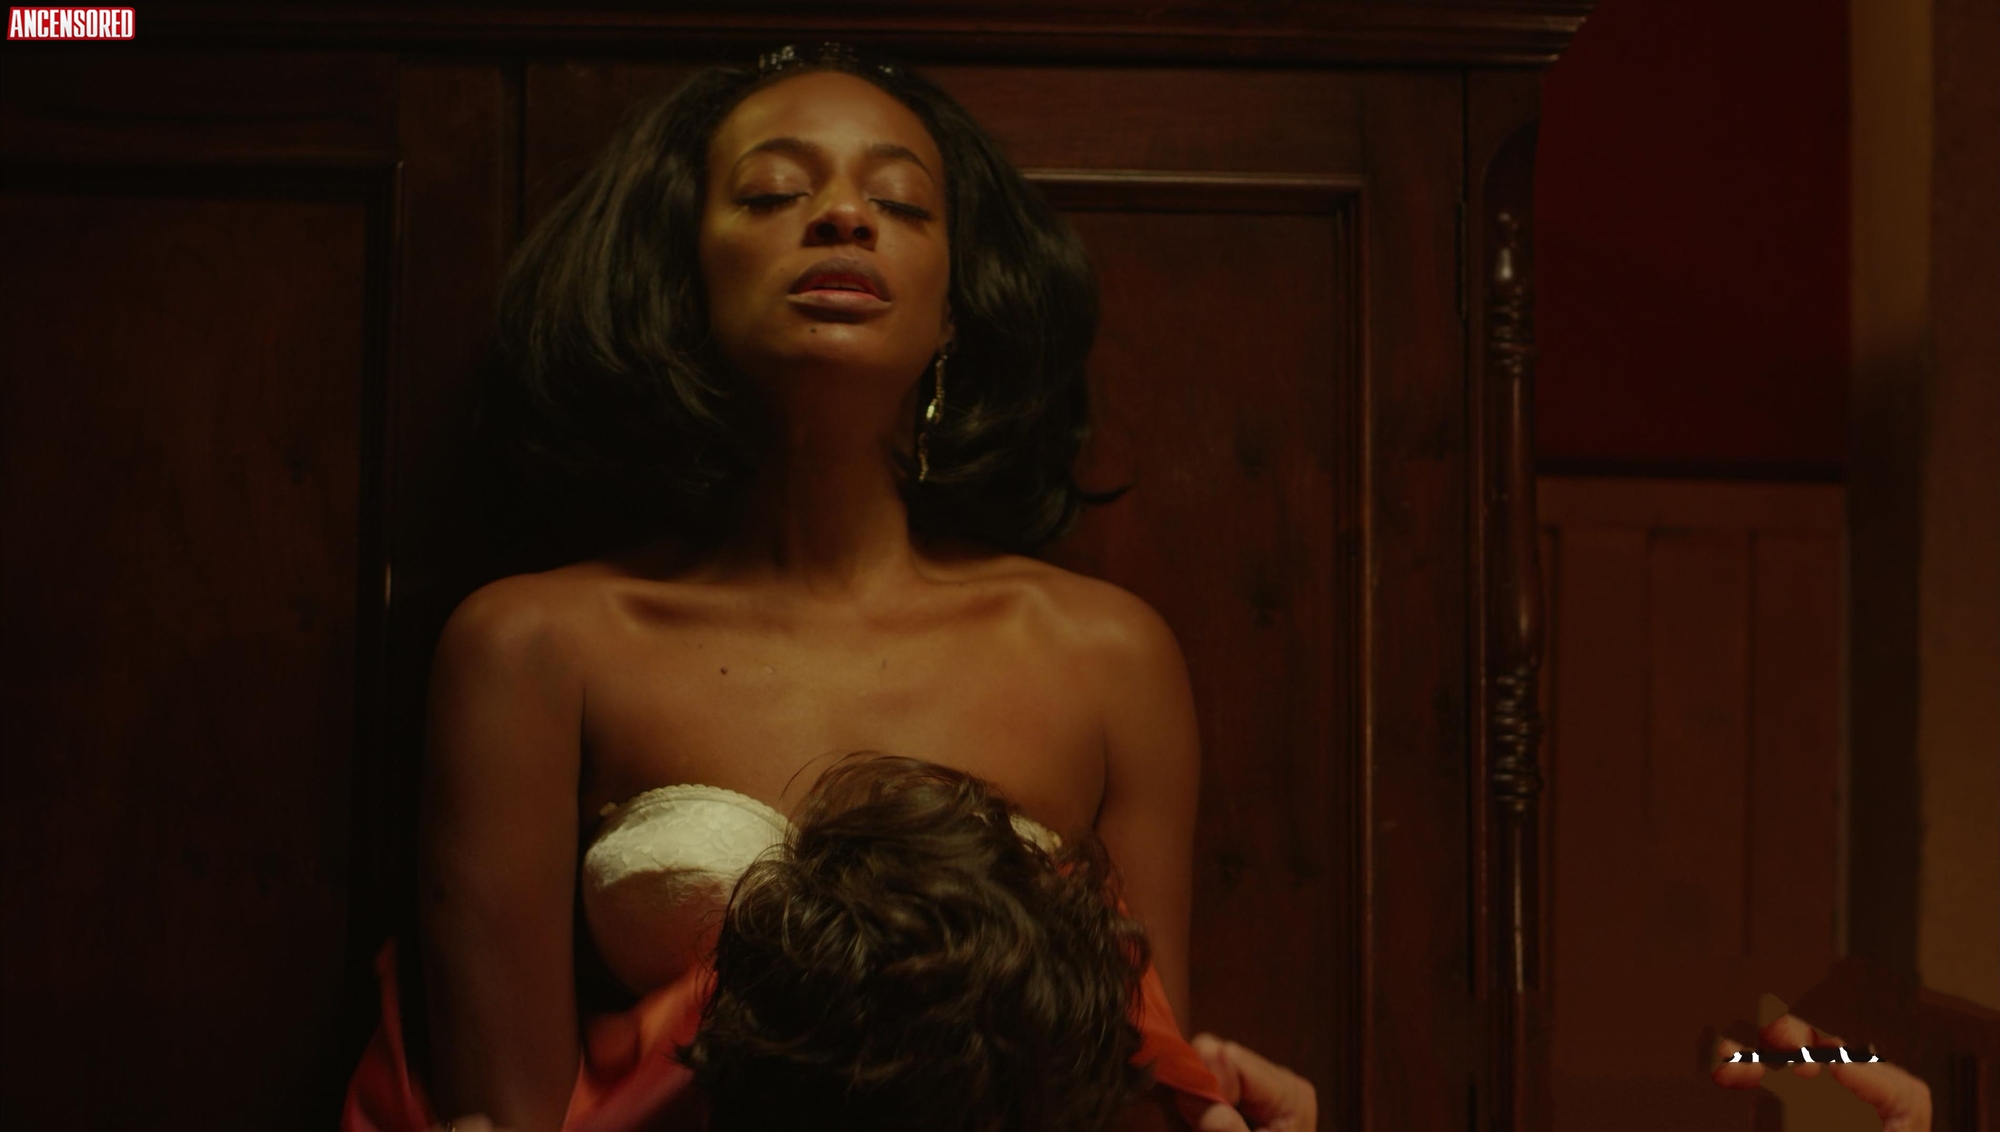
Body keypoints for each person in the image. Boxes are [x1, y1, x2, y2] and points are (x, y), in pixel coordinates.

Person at [343, 41, 1306, 1132]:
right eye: (772, 193)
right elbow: (505, 1114)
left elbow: (1141, 1089)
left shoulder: (1106, 657)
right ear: (680, 272)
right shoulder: (533, 648)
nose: (844, 217)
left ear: (954, 306)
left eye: (899, 203)